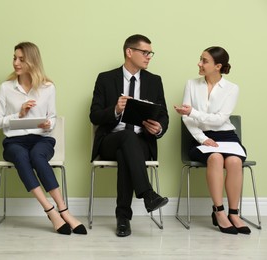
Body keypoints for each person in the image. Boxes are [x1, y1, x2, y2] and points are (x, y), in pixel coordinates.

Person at [0, 42, 86, 235]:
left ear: (32, 61)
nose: (16, 62)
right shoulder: (5, 88)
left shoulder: (48, 87)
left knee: (37, 156)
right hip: (14, 142)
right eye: (15, 58)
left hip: (42, 140)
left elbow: (52, 118)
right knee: (20, 155)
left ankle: (64, 210)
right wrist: (19, 114)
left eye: (21, 59)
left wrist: (47, 124)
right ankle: (51, 211)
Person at [89, 34, 169, 237]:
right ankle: (147, 193)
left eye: (150, 53)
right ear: (129, 52)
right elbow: (94, 116)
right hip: (110, 140)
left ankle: (123, 218)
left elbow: (164, 116)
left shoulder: (154, 81)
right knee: (126, 138)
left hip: (140, 142)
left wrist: (158, 128)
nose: (149, 56)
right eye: (145, 52)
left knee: (129, 147)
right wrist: (115, 109)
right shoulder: (105, 78)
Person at [174, 46, 251, 235]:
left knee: (234, 161)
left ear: (218, 66)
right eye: (200, 59)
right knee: (215, 158)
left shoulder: (232, 88)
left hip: (227, 136)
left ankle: (234, 213)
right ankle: (219, 212)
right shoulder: (191, 84)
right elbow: (187, 119)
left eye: (204, 61)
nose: (199, 64)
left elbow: (220, 119)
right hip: (199, 138)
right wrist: (202, 138)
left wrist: (192, 112)